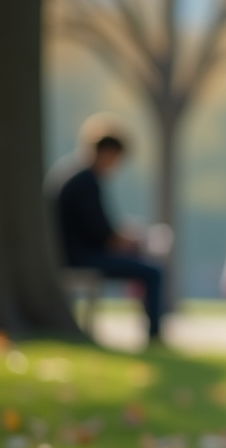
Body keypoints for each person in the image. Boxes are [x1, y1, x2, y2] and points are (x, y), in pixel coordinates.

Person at [51, 132, 165, 344]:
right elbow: (102, 234)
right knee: (153, 272)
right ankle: (155, 335)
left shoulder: (75, 177)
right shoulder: (86, 182)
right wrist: (137, 241)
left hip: (75, 252)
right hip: (80, 256)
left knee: (146, 266)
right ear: (107, 153)